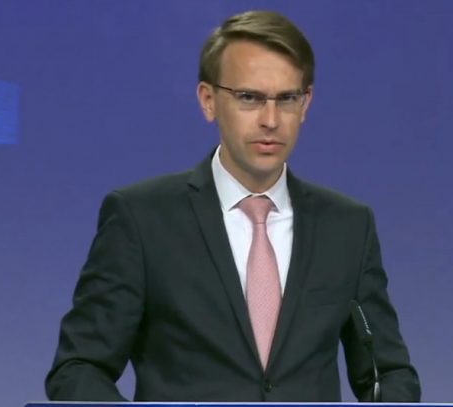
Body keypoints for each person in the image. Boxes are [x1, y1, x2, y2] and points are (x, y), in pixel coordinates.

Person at [45, 10, 420, 402]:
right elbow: (79, 368)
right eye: (249, 98)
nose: (270, 120)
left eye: (287, 99)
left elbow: (388, 372)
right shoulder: (141, 219)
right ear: (208, 100)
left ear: (306, 103)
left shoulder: (347, 227)